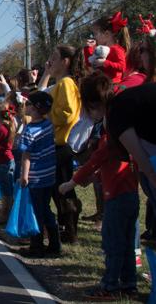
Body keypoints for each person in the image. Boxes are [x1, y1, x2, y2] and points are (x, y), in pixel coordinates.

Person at [59, 72, 139, 300]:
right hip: (130, 193)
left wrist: (71, 183)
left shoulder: (110, 136)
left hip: (116, 196)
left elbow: (95, 161)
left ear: (95, 105)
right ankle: (129, 283)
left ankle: (110, 286)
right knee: (127, 243)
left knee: (113, 243)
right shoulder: (124, 131)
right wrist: (97, 177)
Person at [46, 44, 84, 243]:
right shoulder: (60, 83)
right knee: (57, 188)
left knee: (63, 187)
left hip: (62, 144)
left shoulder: (66, 83)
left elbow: (67, 113)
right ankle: (65, 227)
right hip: (56, 143)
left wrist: (46, 117)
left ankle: (69, 230)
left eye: (54, 57)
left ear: (65, 62)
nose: (49, 62)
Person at [18, 90, 60, 258]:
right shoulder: (49, 125)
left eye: (27, 104)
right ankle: (55, 244)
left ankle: (37, 246)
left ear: (35, 108)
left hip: (35, 176)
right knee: (46, 208)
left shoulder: (29, 130)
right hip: (49, 174)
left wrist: (24, 176)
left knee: (36, 212)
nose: (25, 106)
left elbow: (26, 155)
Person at [91, 12, 130, 84]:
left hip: (113, 86)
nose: (94, 37)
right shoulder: (101, 50)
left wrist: (104, 63)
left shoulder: (116, 49)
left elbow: (122, 66)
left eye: (96, 33)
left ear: (107, 34)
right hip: (104, 85)